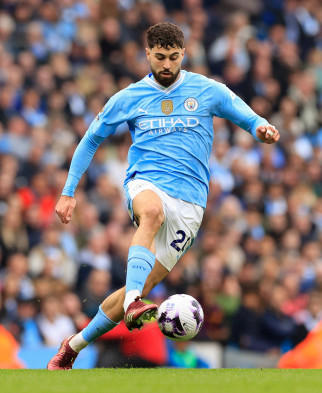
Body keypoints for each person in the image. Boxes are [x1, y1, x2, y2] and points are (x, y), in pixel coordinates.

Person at [47, 22, 280, 370]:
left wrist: (262, 129)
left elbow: (248, 118)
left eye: (173, 57)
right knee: (151, 214)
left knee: (137, 284)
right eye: (159, 57)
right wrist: (68, 192)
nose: (166, 64)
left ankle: (74, 346)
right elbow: (91, 139)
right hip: (146, 183)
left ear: (183, 54)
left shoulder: (207, 90)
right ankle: (132, 303)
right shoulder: (129, 97)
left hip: (190, 206)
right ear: (148, 55)